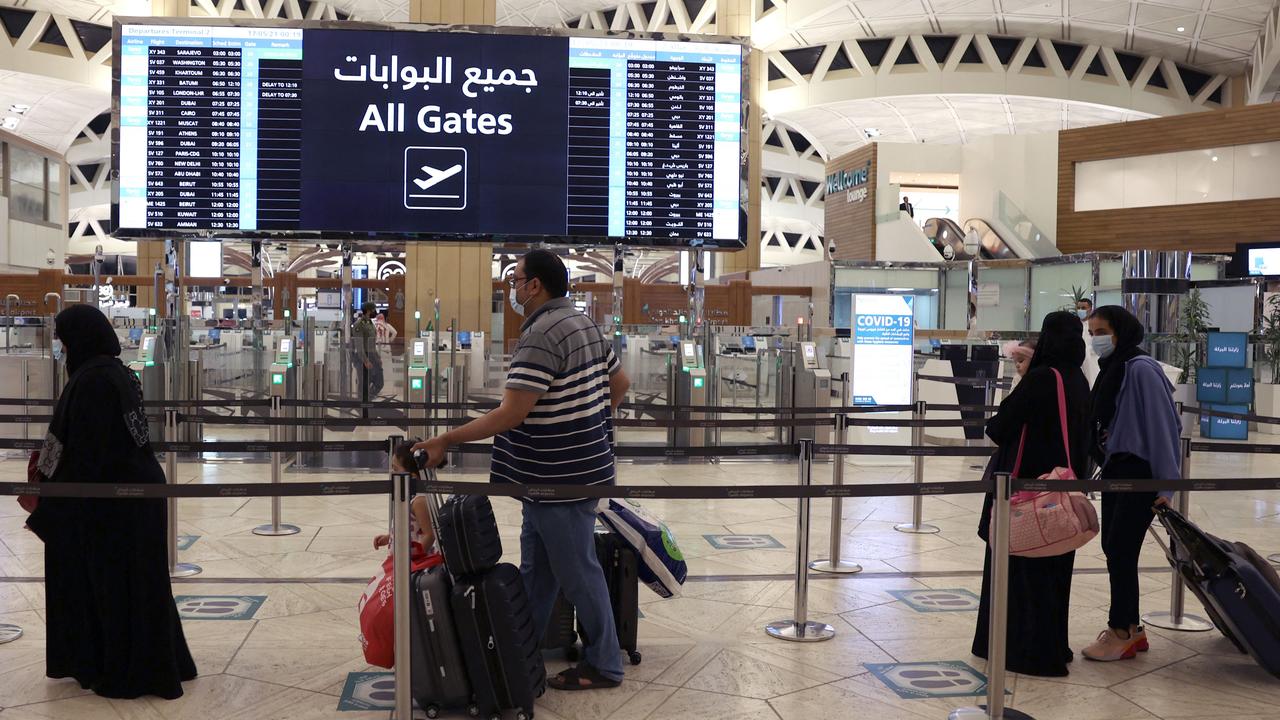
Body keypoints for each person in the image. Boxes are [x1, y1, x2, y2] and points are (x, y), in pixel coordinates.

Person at [416, 249, 631, 692]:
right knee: (539, 571)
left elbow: (510, 414)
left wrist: (446, 440)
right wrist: (591, 425)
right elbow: (620, 383)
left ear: (535, 286)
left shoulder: (541, 334)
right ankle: (518, 652)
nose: (512, 289)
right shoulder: (583, 323)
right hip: (560, 475)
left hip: (559, 478)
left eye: (516, 280)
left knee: (577, 571)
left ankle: (605, 663)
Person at [24, 304, 197, 699]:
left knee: (115, 585)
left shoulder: (93, 381)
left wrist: (52, 495)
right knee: (141, 583)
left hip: (113, 502)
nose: (63, 351)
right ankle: (155, 663)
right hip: (133, 496)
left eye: (65, 343)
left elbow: (85, 450)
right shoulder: (114, 373)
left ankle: (125, 671)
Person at [972, 311, 1089, 677]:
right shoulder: (1078, 380)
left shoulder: (1042, 378)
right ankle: (1053, 644)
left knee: (1022, 567)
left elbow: (998, 427)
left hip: (1025, 493)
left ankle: (1025, 651)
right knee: (1054, 568)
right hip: (1063, 491)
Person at [1082, 305, 1180, 662]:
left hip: (1140, 475)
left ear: (1121, 331)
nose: (1096, 340)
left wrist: (1166, 488)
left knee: (1121, 550)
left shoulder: (1140, 370)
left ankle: (1121, 630)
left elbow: (1164, 428)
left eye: (1102, 332)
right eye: (1091, 333)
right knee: (1115, 548)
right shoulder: (1113, 368)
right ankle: (1133, 629)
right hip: (1117, 471)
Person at [372, 440, 435, 555]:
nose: (392, 473)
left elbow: (429, 535)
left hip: (412, 565)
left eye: (395, 469)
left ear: (412, 477)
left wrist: (414, 559)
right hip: (402, 562)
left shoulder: (419, 502)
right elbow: (410, 529)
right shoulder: (409, 496)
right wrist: (389, 537)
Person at [352, 302, 383, 400]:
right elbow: (359, 344)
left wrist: (377, 357)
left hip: (373, 356)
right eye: (373, 310)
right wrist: (365, 361)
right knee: (364, 383)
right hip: (362, 358)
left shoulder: (370, 323)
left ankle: (369, 397)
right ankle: (363, 405)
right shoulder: (359, 325)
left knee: (379, 382)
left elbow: (372, 343)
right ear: (369, 310)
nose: (375, 312)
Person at [1077, 297, 1100, 385]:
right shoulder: (1075, 325)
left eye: (1083, 308)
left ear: (1090, 309)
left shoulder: (1095, 325)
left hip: (1093, 362)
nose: (1080, 310)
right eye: (1078, 308)